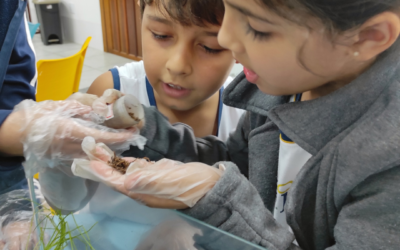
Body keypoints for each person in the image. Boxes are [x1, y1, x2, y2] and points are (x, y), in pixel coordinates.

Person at [71, 0, 400, 249]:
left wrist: (222, 203)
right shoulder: (279, 91)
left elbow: (231, 196)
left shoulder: (386, 167)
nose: (227, 38)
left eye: (257, 27)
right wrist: (142, 128)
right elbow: (237, 160)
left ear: (368, 37)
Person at [87, 0, 245, 141]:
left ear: (243, 47)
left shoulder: (247, 113)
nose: (177, 66)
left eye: (209, 47)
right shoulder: (109, 92)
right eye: (160, 35)